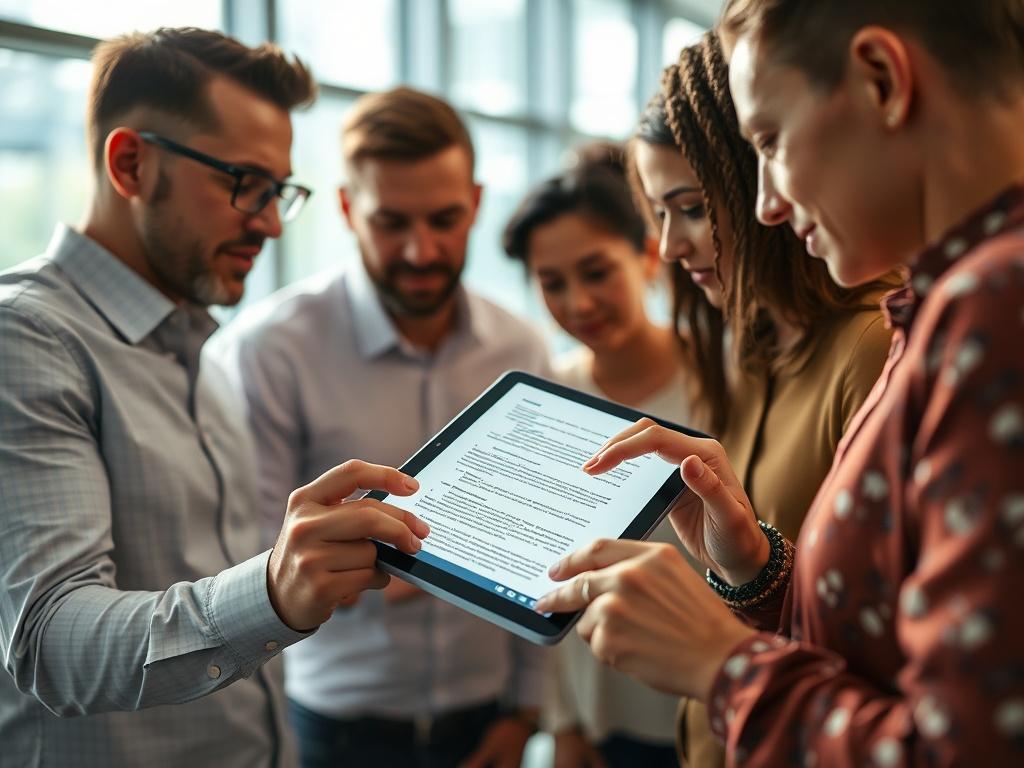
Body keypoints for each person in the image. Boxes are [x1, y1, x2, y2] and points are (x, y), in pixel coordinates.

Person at [537, 1, 1024, 765]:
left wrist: (722, 665)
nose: (766, 202)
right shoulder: (941, 305)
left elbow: (965, 750)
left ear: (881, 80)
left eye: (769, 139)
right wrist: (756, 571)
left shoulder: (996, 304)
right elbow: (883, 643)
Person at [0, 28, 431, 768]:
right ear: (130, 163)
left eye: (279, 192)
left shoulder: (204, 342)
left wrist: (322, 560)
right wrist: (271, 588)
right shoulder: (27, 339)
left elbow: (208, 580)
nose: (267, 221)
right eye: (244, 183)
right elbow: (48, 640)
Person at [211, 86, 550, 768]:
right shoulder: (271, 351)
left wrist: (525, 711)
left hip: (488, 721)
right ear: (345, 208)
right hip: (336, 730)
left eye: (445, 219)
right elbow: (249, 562)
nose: (422, 250)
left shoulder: (522, 351)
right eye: (391, 222)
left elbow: (546, 547)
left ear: (478, 204)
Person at [629, 33, 893, 766]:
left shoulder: (870, 347)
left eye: (689, 208)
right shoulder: (748, 348)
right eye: (657, 212)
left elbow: (873, 639)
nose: (670, 248)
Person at [502, 155, 691, 767]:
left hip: (706, 705)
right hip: (600, 712)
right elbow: (544, 574)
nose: (578, 301)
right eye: (552, 282)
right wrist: (562, 722)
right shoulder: (545, 397)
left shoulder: (725, 383)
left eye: (596, 271)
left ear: (647, 255)